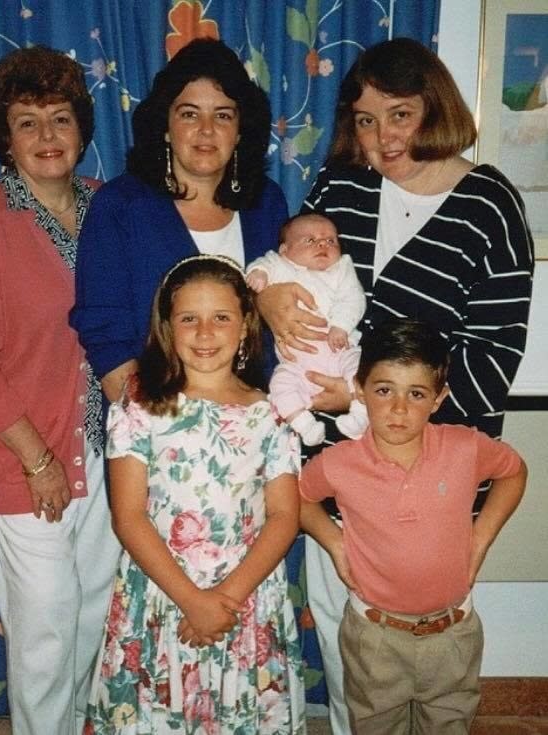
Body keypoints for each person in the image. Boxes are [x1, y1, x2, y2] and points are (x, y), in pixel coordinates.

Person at [256, 37, 535, 733]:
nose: (381, 138)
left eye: (400, 114)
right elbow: (284, 270)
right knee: (355, 653)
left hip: (427, 472)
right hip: (335, 460)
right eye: (366, 118)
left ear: (435, 106)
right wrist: (264, 301)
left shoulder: (489, 204)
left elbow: (495, 355)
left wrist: (358, 399)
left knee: (433, 668)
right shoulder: (341, 188)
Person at [0, 46, 121, 735]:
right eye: (28, 122)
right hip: (25, 458)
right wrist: (37, 459)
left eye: (61, 118)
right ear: (4, 138)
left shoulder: (109, 207)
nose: (47, 137)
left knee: (96, 617)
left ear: (83, 127)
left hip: (109, 452)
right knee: (44, 632)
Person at [85, 255, 306, 734]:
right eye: (189, 319)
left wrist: (223, 599)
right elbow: (128, 517)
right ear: (167, 326)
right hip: (164, 595)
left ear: (246, 325)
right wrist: (192, 600)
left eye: (221, 318)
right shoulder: (138, 407)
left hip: (243, 597)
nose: (205, 333)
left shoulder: (271, 414)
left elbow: (285, 516)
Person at [299, 318, 527, 734]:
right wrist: (333, 541)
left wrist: (479, 541)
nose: (399, 409)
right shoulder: (338, 463)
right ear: (361, 388)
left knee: (449, 725)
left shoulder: (464, 447)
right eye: (384, 390)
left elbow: (513, 472)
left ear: (438, 399)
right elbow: (299, 498)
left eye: (416, 393)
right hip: (374, 636)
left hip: (453, 634)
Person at [70, 38, 289, 407]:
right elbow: (107, 337)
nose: (206, 129)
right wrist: (162, 432)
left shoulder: (265, 204)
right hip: (157, 431)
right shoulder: (120, 207)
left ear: (240, 131)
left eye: (222, 115)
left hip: (254, 426)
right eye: (189, 113)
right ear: (166, 126)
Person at [246, 213, 367, 445]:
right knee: (280, 383)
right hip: (297, 363)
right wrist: (258, 274)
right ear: (284, 250)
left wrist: (341, 326)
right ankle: (305, 425)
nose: (323, 244)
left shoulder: (341, 269)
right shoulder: (280, 265)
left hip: (338, 349)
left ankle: (360, 415)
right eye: (309, 240)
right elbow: (261, 265)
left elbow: (354, 298)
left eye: (331, 240)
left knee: (361, 370)